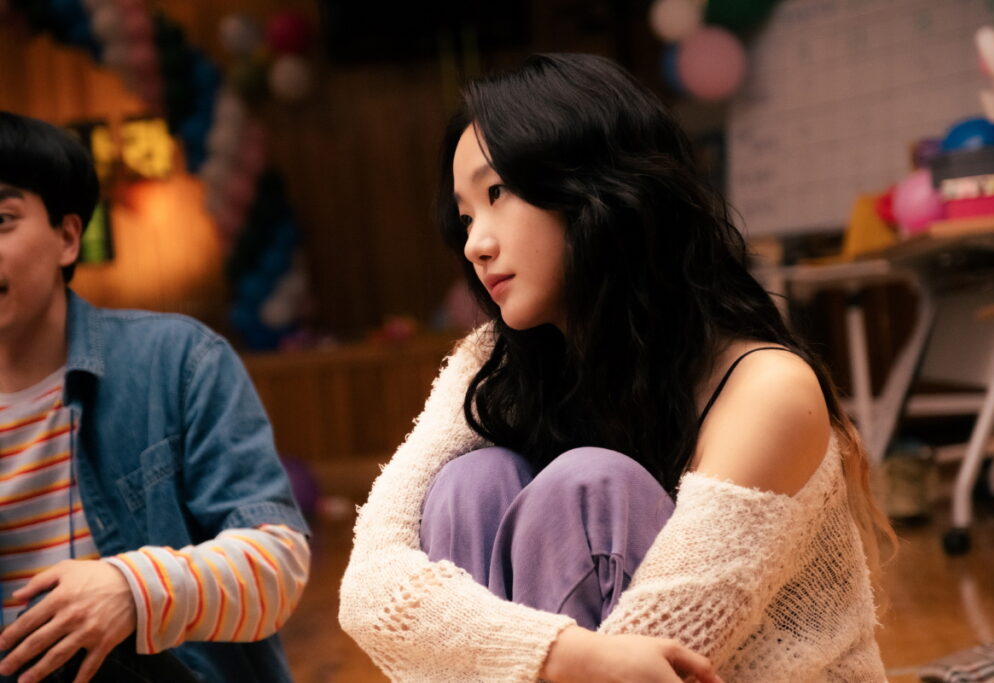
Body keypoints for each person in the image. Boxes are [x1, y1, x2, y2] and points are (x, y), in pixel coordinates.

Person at [338, 53, 896, 682]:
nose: (475, 244)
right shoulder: (496, 362)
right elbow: (369, 586)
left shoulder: (767, 389)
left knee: (589, 487)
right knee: (471, 484)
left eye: (497, 194)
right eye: (466, 218)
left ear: (597, 187)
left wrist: (543, 657)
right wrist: (560, 653)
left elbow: (653, 665)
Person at [0, 111, 310, 683]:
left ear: (67, 237)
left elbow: (278, 567)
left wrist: (132, 590)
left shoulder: (178, 360)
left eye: (2, 219)